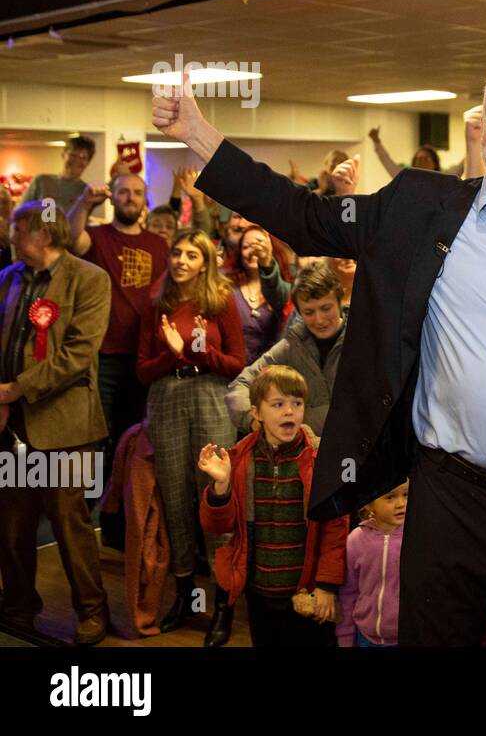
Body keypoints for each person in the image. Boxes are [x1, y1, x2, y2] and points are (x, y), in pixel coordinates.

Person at [154, 58, 486, 646]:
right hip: (448, 504)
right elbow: (303, 214)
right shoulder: (420, 209)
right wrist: (196, 131)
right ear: (481, 126)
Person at [0, 202, 111, 646]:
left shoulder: (90, 279)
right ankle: (18, 608)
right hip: (12, 427)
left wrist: (13, 390)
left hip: (67, 427)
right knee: (11, 524)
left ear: (43, 235)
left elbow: (77, 356)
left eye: (17, 229)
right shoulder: (8, 278)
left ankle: (92, 611)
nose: (10, 235)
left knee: (71, 524)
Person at [136, 228, 246, 640]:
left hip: (210, 396)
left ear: (206, 262)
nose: (181, 261)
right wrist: (170, 353)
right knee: (176, 498)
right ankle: (184, 597)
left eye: (191, 255)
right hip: (165, 397)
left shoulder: (220, 301)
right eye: (177, 253)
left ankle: (222, 606)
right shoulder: (157, 303)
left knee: (214, 497)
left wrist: (193, 351)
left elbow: (237, 363)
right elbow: (142, 370)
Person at [198, 365, 347, 647]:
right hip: (260, 592)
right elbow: (216, 525)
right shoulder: (240, 459)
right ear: (256, 413)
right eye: (278, 404)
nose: (289, 411)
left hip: (307, 590)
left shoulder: (320, 461)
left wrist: (327, 585)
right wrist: (221, 487)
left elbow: (335, 529)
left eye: (297, 403)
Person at [67, 171, 171, 549]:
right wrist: (84, 202)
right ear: (115, 199)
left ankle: (120, 525)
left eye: (137, 192)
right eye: (124, 192)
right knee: (101, 441)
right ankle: (90, 522)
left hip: (145, 360)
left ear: (145, 199)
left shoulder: (159, 245)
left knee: (134, 444)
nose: (130, 197)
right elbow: (69, 238)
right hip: (104, 358)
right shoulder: (97, 237)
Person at [226, 264, 347, 437]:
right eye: (309, 312)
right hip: (306, 453)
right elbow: (241, 384)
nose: (319, 320)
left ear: (340, 302)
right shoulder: (292, 345)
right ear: (298, 312)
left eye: (326, 308)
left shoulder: (364, 341)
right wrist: (253, 420)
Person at [337, 479, 407, 647]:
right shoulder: (356, 540)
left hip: (403, 638)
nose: (401, 503)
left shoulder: (416, 538)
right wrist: (345, 638)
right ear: (369, 504)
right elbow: (347, 594)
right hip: (365, 638)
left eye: (406, 495)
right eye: (390, 497)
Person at [229, 225, 283, 365]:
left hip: (270, 369)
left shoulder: (281, 288)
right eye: (247, 247)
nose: (254, 251)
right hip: (233, 368)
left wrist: (266, 264)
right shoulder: (228, 288)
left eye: (259, 244)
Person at [20, 135, 96, 215]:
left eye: (83, 157)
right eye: (73, 155)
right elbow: (20, 213)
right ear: (63, 155)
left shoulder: (87, 192)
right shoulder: (41, 182)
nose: (77, 160)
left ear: (88, 162)